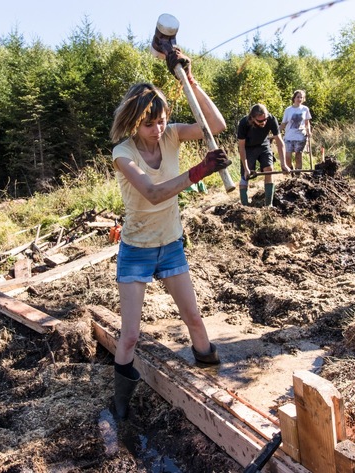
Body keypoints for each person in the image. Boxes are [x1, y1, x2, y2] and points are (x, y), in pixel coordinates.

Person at [108, 48, 231, 419]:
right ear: (133, 122)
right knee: (129, 335)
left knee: (194, 318)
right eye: (150, 123)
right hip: (137, 249)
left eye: (161, 120)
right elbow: (154, 192)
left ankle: (214, 383)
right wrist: (200, 171)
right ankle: (120, 404)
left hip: (171, 245)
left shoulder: (173, 135)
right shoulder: (122, 153)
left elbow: (217, 124)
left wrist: (189, 79)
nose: (158, 129)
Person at [237, 104, 287, 207]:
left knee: (269, 169)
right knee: (245, 176)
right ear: (252, 118)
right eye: (260, 121)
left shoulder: (271, 119)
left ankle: (269, 204)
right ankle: (245, 206)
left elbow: (279, 141)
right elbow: (241, 147)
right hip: (248, 148)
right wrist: (246, 168)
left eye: (265, 119)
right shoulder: (244, 123)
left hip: (263, 145)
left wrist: (284, 164)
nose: (263, 122)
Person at [280, 90, 312, 171]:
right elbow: (284, 123)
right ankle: (291, 171)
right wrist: (276, 132)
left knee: (298, 156)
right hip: (289, 136)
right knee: (287, 157)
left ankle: (297, 175)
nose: (299, 99)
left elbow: (307, 122)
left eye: (301, 97)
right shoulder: (288, 110)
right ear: (294, 98)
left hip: (300, 136)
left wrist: (308, 131)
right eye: (298, 97)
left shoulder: (305, 109)